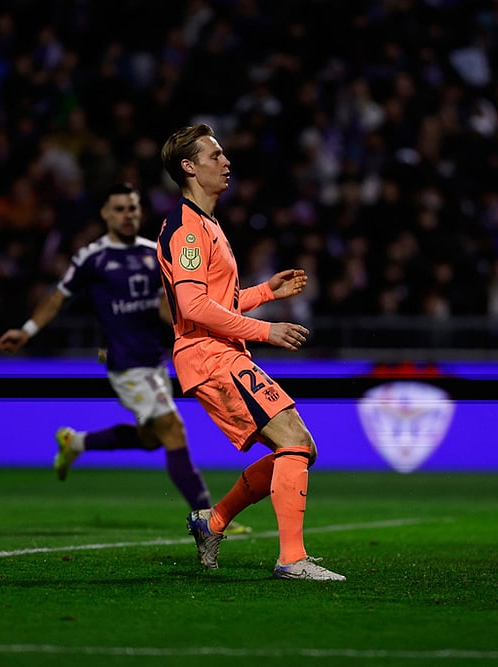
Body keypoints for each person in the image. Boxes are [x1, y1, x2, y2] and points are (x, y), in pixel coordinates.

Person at [0, 183, 248, 535]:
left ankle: (75, 442)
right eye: (119, 209)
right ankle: (209, 518)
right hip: (126, 364)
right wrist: (27, 329)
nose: (128, 215)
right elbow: (58, 296)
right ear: (105, 214)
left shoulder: (153, 252)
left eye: (132, 208)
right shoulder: (92, 257)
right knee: (173, 430)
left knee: (151, 438)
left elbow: (169, 306)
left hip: (155, 362)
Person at [158, 123, 345, 581]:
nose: (226, 163)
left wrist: (265, 291)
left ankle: (213, 521)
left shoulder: (207, 224)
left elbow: (216, 302)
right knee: (296, 442)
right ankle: (291, 559)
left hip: (220, 352)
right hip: (210, 355)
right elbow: (193, 306)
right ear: (188, 167)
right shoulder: (185, 228)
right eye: (214, 156)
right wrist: (266, 330)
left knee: (299, 447)